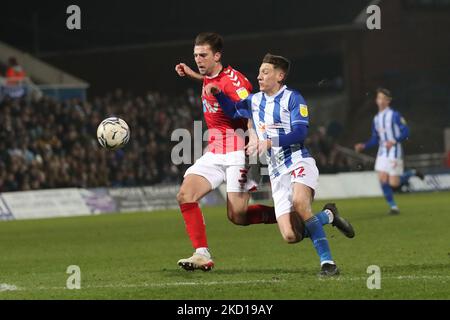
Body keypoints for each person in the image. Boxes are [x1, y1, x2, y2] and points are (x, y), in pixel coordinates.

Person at [204, 53, 355, 276]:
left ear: (280, 75)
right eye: (259, 72)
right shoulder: (255, 101)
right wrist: (219, 95)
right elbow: (233, 110)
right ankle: (329, 216)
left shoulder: (293, 98)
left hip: (298, 161)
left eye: (265, 72)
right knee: (291, 236)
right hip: (276, 172)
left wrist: (269, 141)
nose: (259, 76)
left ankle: (328, 263)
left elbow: (300, 132)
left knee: (300, 203)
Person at [354, 88, 424, 215]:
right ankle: (393, 207)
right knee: (382, 179)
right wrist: (363, 146)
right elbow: (375, 139)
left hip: (394, 151)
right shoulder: (376, 119)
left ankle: (412, 172)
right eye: (378, 98)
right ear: (376, 100)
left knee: (394, 183)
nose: (380, 101)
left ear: (388, 101)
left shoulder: (394, 115)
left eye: (383, 98)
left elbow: (406, 131)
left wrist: (394, 140)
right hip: (382, 153)